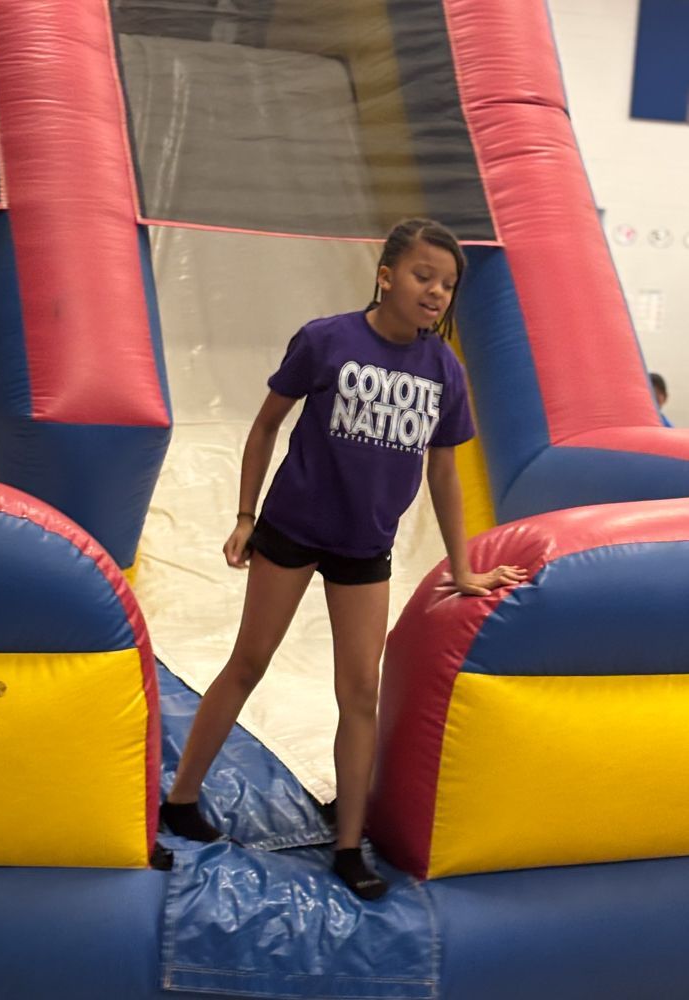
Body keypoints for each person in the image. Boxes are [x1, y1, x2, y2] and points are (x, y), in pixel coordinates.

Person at [160, 217, 527, 899]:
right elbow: (267, 424)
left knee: (361, 692)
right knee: (249, 662)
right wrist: (245, 516)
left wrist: (464, 566)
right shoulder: (328, 339)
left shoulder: (443, 367)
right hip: (293, 527)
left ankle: (349, 844)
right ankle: (180, 799)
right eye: (423, 275)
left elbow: (445, 475)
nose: (436, 292)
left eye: (447, 284)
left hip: (366, 545)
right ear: (386, 275)